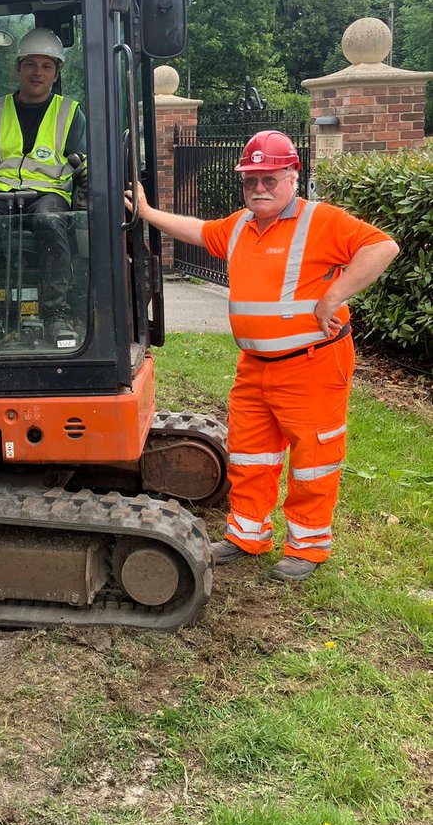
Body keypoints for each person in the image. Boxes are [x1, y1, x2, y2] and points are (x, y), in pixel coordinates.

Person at [129, 130, 399, 581]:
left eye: (269, 178)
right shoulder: (239, 225)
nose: (259, 188)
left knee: (313, 456)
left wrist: (333, 297)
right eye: (251, 179)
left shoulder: (321, 221)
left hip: (311, 363)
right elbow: (197, 230)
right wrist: (149, 212)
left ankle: (307, 548)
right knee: (250, 454)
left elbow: (382, 246)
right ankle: (247, 535)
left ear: (292, 175)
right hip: (255, 366)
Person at [0, 28, 87, 346]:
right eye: (31, 64)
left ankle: (56, 315)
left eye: (46, 66)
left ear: (56, 73)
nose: (38, 72)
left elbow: (84, 162)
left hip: (48, 194)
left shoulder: (70, 113)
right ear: (18, 68)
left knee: (52, 221)